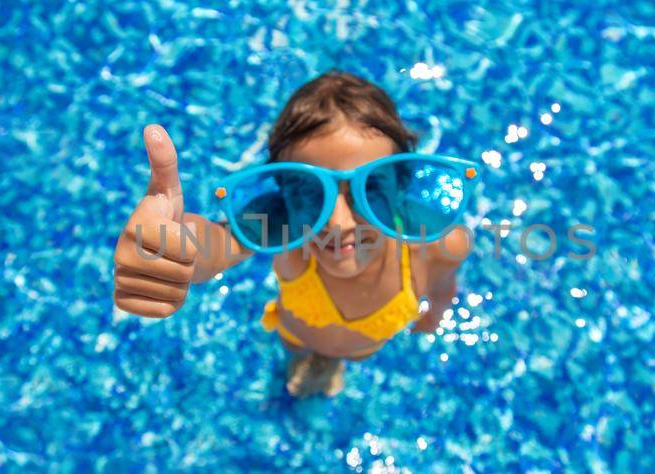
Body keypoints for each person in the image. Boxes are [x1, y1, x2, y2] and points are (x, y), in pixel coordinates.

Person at [112, 71, 473, 397]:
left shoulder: (436, 247)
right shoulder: (289, 237)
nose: (338, 223)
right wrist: (174, 250)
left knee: (331, 371)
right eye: (309, 191)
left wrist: (433, 318)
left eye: (370, 187)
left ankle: (330, 365)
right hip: (296, 335)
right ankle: (307, 365)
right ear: (283, 196)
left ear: (401, 182)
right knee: (294, 365)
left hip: (362, 349)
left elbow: (442, 287)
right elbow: (218, 243)